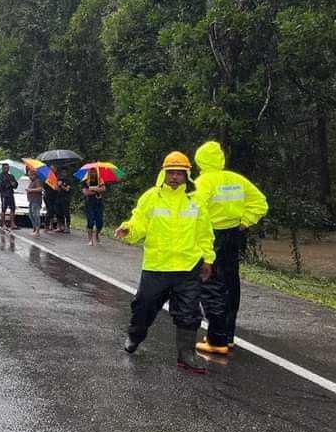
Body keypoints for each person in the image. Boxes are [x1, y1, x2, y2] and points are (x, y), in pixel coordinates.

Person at [115, 151, 216, 374]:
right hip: (157, 267)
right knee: (143, 306)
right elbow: (139, 221)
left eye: (179, 173)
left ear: (186, 175)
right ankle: (135, 336)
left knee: (189, 313)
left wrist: (208, 259)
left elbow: (205, 233)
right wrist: (129, 229)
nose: (175, 177)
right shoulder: (151, 197)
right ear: (164, 173)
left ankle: (186, 356)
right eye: (171, 172)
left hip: (188, 267)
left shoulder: (196, 200)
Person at [193, 141, 269, 355]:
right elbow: (260, 203)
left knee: (210, 286)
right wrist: (244, 222)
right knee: (230, 284)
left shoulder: (202, 182)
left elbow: (195, 210)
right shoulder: (237, 180)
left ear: (200, 160)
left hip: (211, 236)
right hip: (234, 235)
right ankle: (228, 335)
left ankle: (216, 340)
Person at [83, 170, 105, 245]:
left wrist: (94, 189)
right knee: (90, 221)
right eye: (91, 172)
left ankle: (96, 234)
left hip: (99, 204)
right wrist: (95, 191)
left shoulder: (100, 179)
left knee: (100, 222)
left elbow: (103, 188)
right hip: (90, 204)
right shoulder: (86, 181)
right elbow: (85, 192)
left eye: (94, 172)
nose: (93, 173)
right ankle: (90, 239)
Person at [0, 162, 19, 231]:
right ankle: (3, 224)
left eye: (8, 168)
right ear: (2, 168)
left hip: (10, 194)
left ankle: (12, 223)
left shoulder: (11, 176)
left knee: (13, 208)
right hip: (4, 195)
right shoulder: (0, 176)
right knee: (4, 209)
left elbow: (15, 185)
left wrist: (14, 184)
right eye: (5, 168)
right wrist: (9, 184)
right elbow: (1, 186)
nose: (7, 169)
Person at [26, 171, 43, 236]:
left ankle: (37, 231)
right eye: (29, 175)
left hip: (36, 200)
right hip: (31, 200)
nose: (29, 177)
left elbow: (40, 189)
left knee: (36, 215)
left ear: (34, 175)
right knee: (31, 215)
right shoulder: (32, 182)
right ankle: (34, 228)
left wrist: (31, 190)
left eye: (30, 175)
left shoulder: (37, 181)